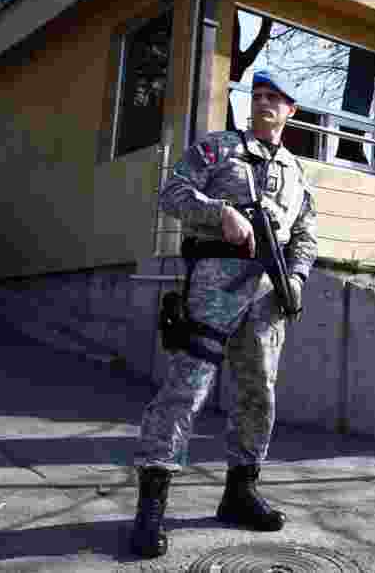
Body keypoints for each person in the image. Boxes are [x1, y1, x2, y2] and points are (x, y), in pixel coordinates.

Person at [129, 70, 318, 558]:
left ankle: (240, 492)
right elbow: (172, 193)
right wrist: (221, 213)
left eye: (275, 98)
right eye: (257, 96)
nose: (264, 104)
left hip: (266, 300)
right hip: (214, 289)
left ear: (291, 110)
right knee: (184, 393)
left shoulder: (298, 173)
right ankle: (152, 505)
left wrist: (295, 279)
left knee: (258, 396)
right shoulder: (217, 149)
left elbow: (306, 236)